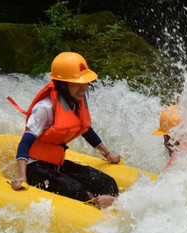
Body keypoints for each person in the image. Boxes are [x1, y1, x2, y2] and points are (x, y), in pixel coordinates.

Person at [9, 52, 120, 209]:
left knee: (107, 182)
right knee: (77, 190)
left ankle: (113, 211)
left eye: (85, 82)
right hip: (34, 167)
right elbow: (25, 143)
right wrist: (21, 177)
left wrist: (108, 155)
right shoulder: (45, 108)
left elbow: (86, 131)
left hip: (55, 163)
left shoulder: (74, 102)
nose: (83, 88)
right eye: (77, 83)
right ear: (62, 84)